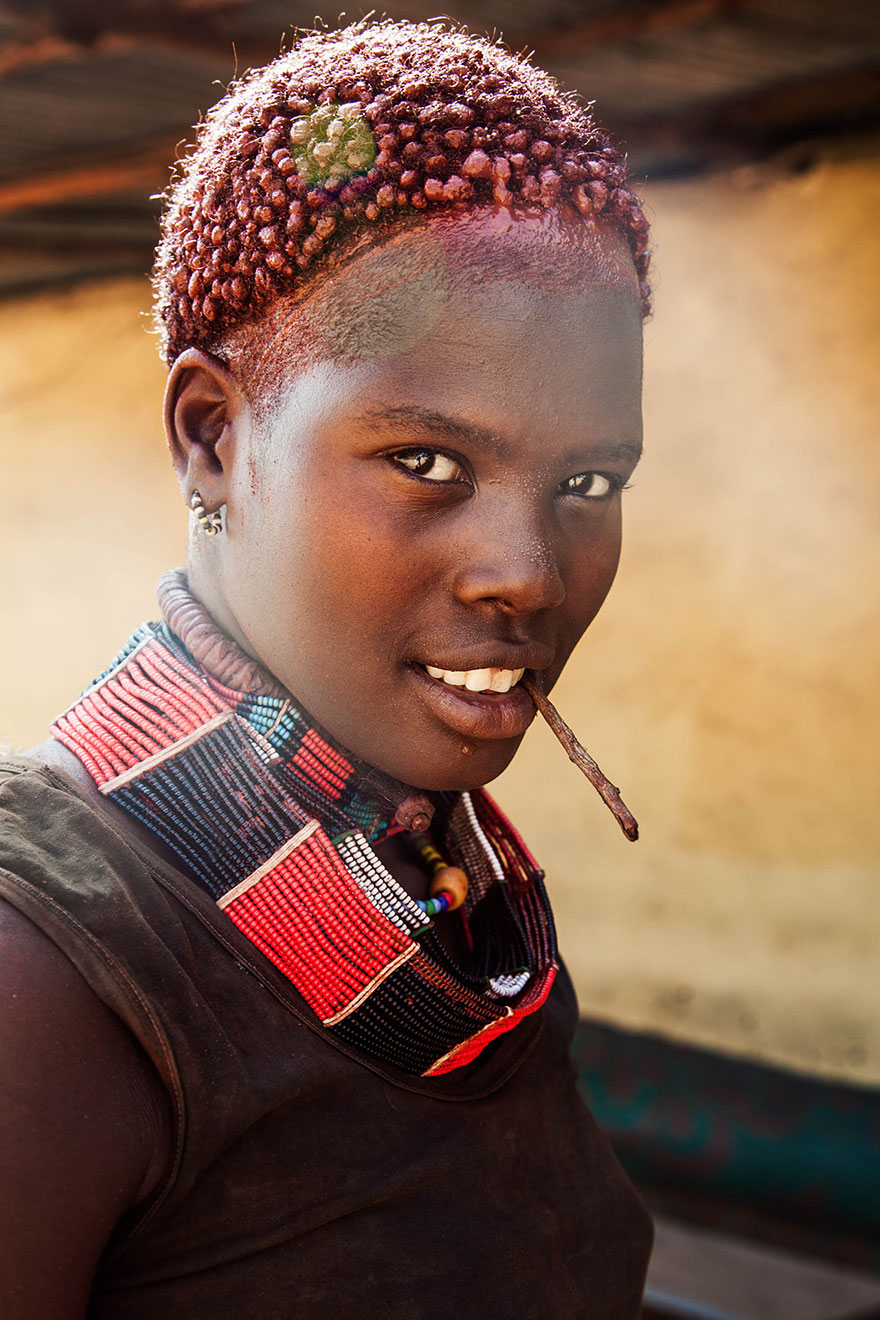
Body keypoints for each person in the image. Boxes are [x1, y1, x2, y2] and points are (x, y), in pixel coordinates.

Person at [0, 19, 653, 1319]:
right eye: (426, 461)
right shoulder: (45, 978)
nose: (527, 572)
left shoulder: (452, 881)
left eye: (588, 482)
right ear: (211, 438)